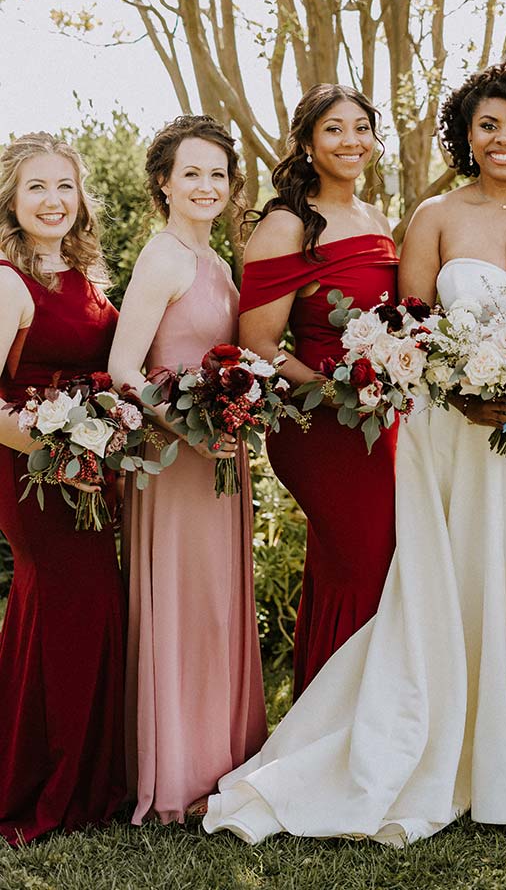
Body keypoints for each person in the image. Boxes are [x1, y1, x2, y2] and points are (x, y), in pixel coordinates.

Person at [203, 55, 506, 843]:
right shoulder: (434, 214)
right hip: (462, 431)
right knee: (472, 591)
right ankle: (474, 757)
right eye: (488, 125)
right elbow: (414, 328)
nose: (504, 139)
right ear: (466, 134)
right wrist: (464, 388)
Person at [109, 115, 267, 824]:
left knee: (215, 607)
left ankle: (219, 763)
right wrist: (192, 430)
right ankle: (174, 779)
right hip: (175, 460)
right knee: (184, 607)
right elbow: (122, 370)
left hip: (216, 458)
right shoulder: (163, 258)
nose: (206, 186)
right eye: (191, 173)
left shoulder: (220, 264)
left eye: (217, 174)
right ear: (164, 183)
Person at [238, 84, 398, 698]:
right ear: (306, 142)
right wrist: (331, 392)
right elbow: (258, 340)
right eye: (334, 128)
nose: (351, 140)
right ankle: (338, 717)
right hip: (319, 424)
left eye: (362, 127)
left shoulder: (374, 217)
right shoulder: (286, 224)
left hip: (379, 418)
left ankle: (365, 719)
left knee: (369, 563)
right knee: (362, 561)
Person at [0, 133, 125, 844]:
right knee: (62, 604)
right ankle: (39, 787)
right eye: (36, 188)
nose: (52, 201)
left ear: (81, 199)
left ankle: (86, 778)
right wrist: (58, 444)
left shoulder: (84, 279)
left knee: (91, 605)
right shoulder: (7, 282)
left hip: (84, 471)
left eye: (65, 188)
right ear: (13, 202)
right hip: (29, 472)